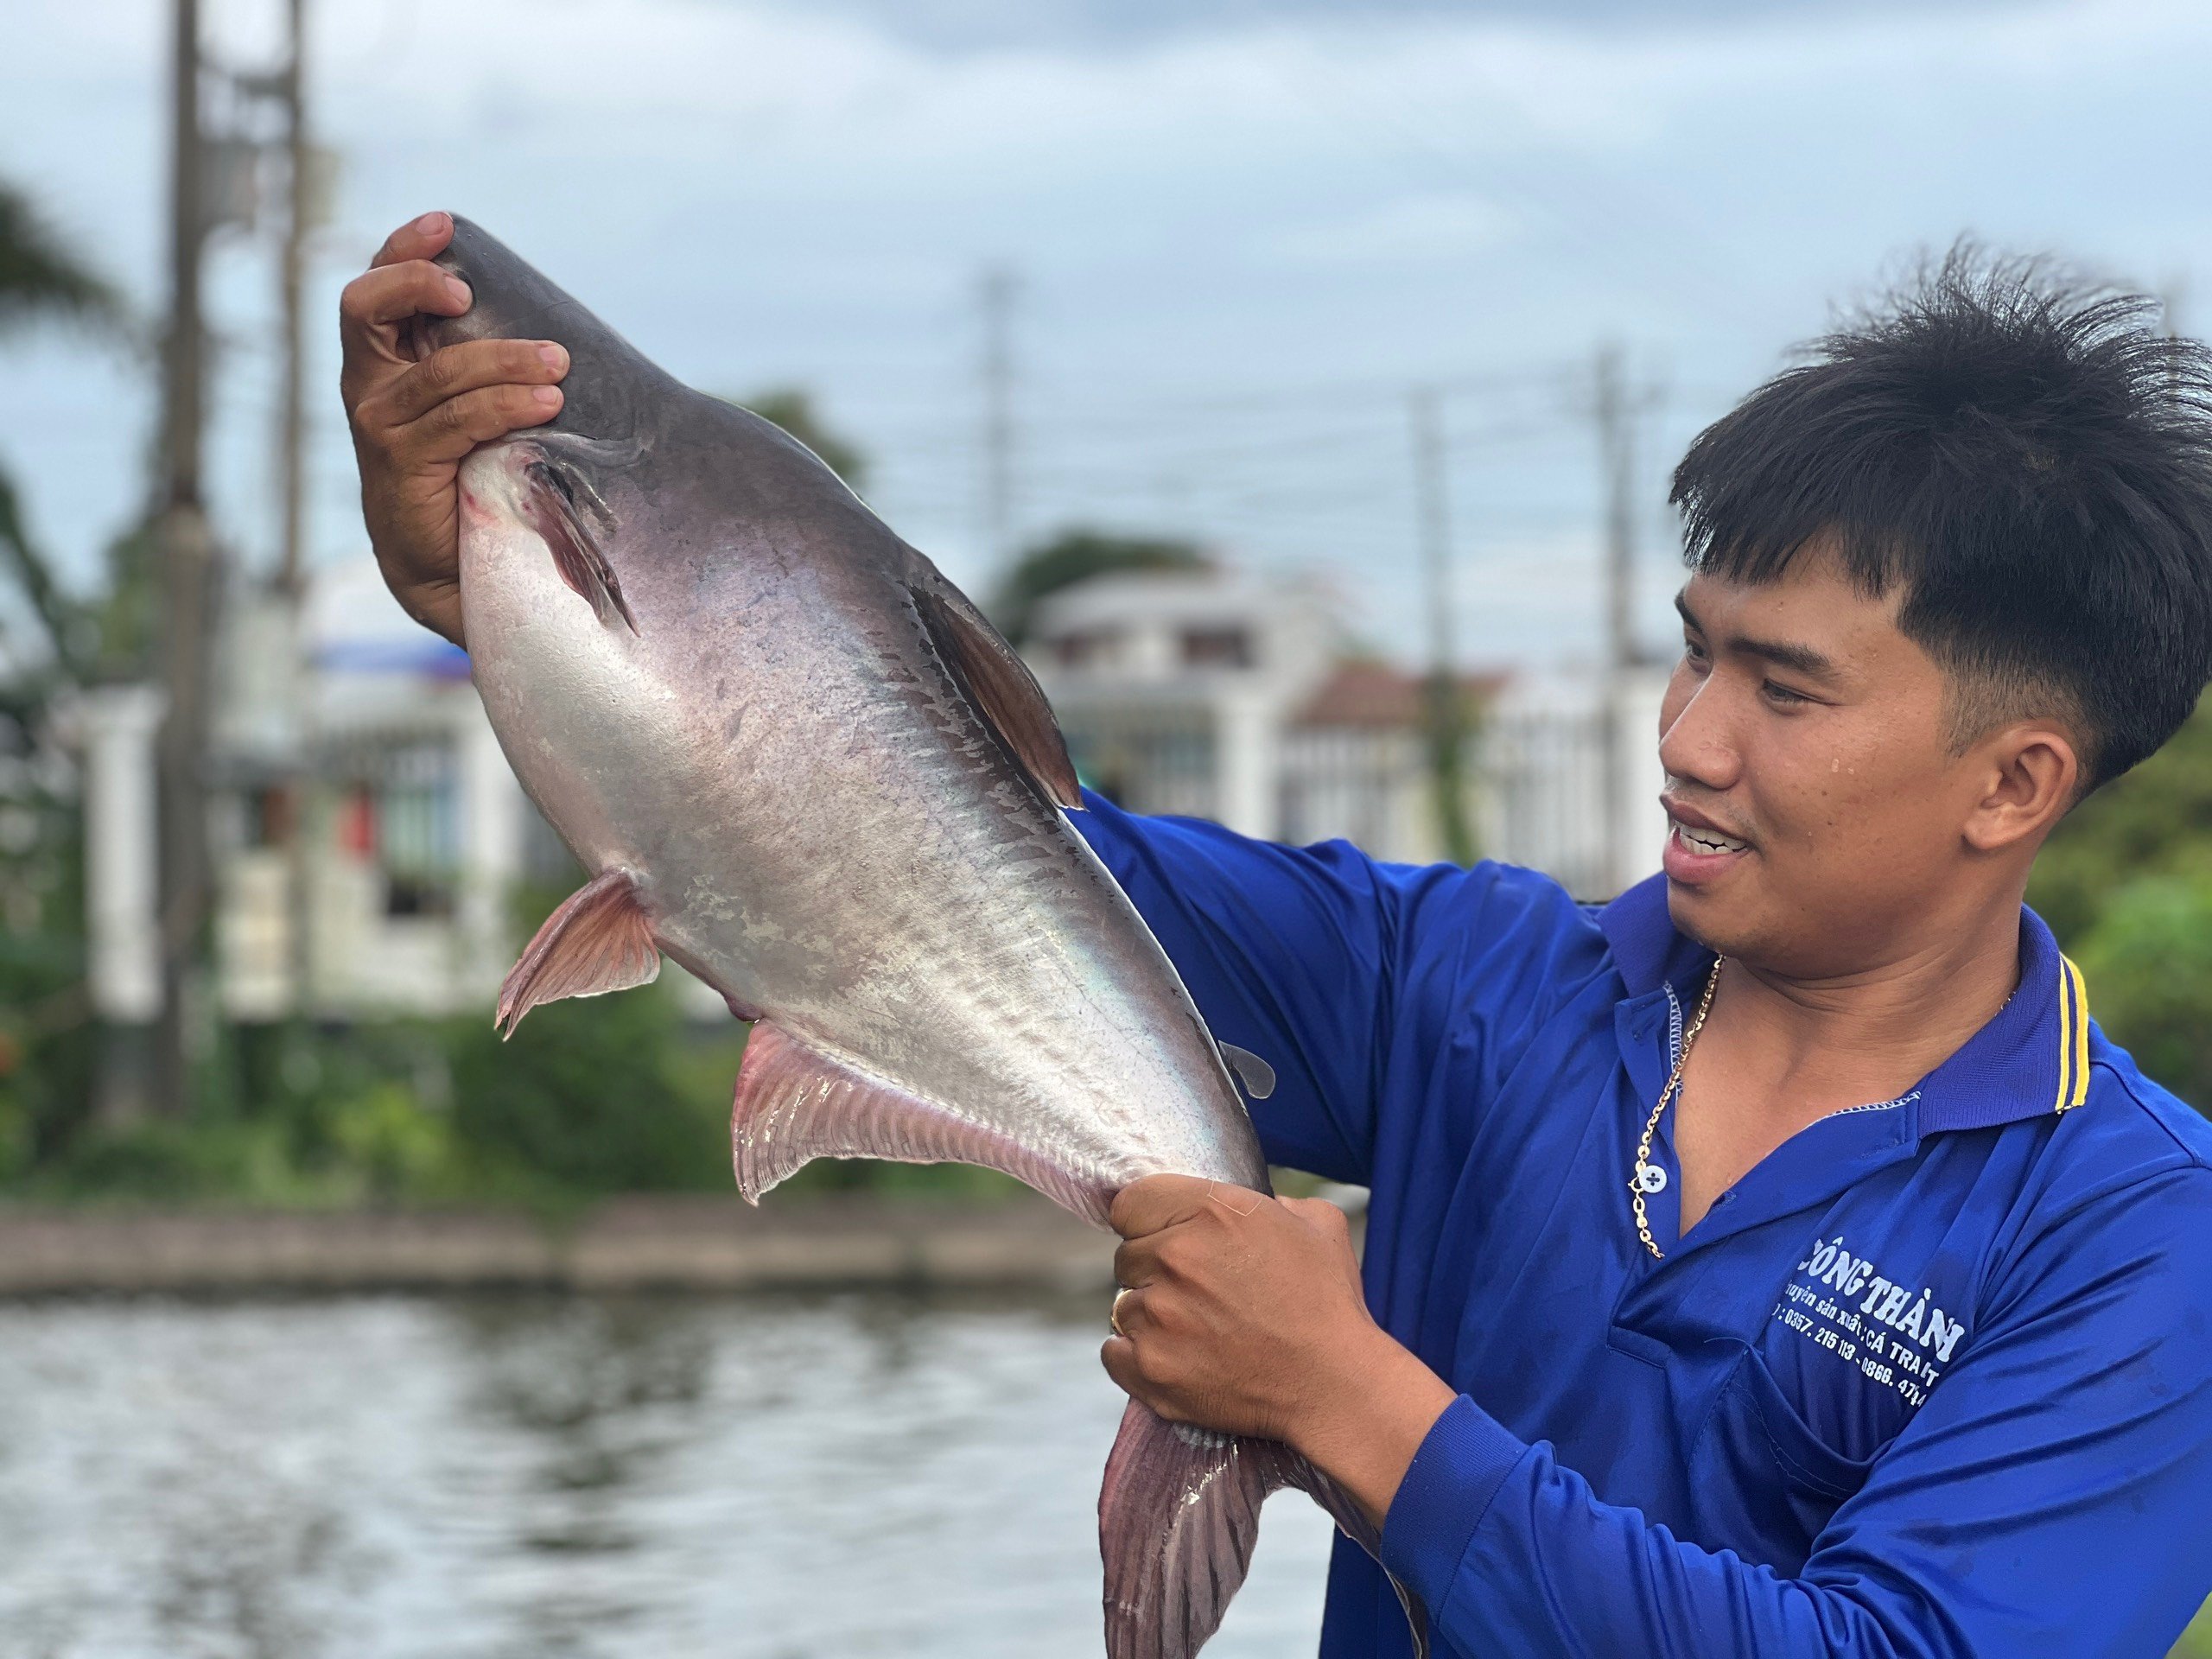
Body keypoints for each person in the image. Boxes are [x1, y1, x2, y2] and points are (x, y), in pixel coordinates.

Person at [344, 217, 2212, 1656]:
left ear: (2008, 781)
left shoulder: (2136, 1234)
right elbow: (945, 859)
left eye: (1782, 690)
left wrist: (1349, 1400)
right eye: (1692, 645)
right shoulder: (1476, 982)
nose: (1685, 734)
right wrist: (539, 601)